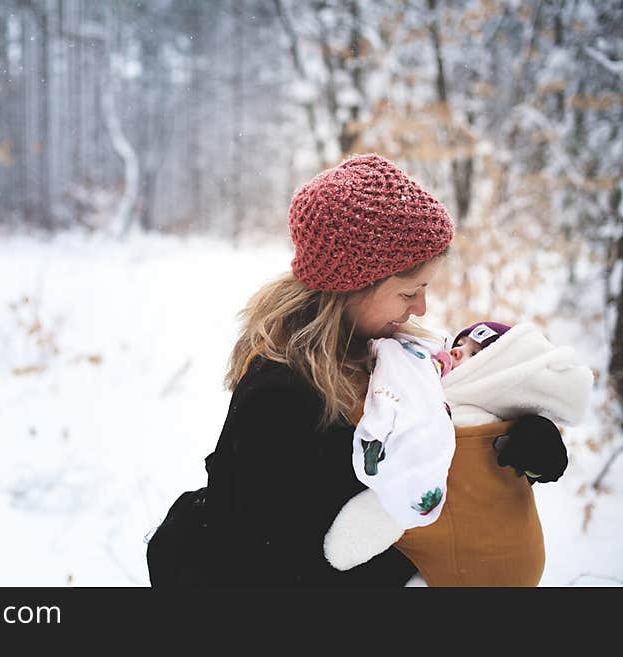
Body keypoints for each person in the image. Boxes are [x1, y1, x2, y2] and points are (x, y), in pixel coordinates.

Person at [147, 153, 569, 588]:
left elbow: (448, 443)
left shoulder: (401, 353)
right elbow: (270, 549)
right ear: (352, 287)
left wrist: (526, 448)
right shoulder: (280, 392)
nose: (421, 308)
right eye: (409, 292)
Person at [326, 320, 592, 585]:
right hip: (482, 563)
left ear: (496, 374)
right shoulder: (424, 388)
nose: (456, 351)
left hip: (486, 563)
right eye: (459, 343)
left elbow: (410, 485)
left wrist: (540, 454)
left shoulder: (488, 423)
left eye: (474, 354)